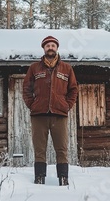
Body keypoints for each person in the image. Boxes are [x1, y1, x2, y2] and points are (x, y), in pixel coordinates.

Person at [22, 35, 78, 186]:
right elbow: (26, 89)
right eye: (48, 46)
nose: (50, 48)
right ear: (44, 48)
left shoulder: (66, 68)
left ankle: (63, 178)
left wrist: (67, 105)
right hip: (38, 115)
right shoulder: (34, 68)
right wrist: (32, 104)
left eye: (53, 45)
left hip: (59, 115)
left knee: (61, 148)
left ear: (57, 48)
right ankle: (39, 178)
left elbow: (73, 90)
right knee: (39, 148)